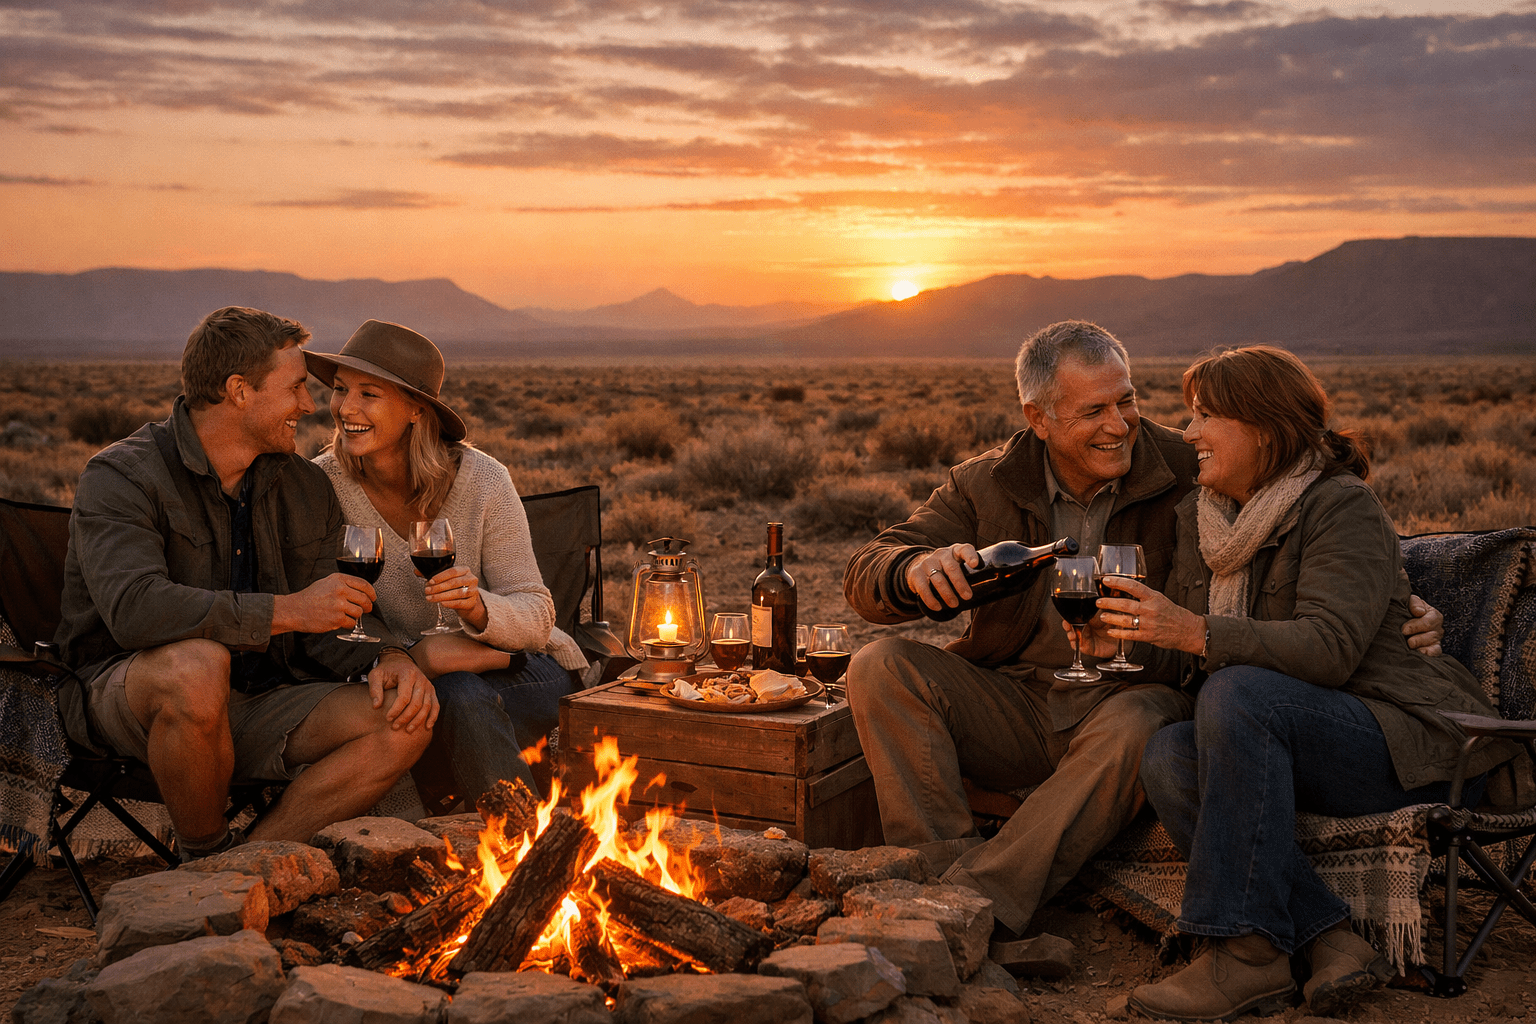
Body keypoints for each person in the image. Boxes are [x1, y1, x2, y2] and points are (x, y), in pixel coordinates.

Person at [842, 321, 1447, 940]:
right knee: (880, 665)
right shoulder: (985, 480)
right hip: (1019, 698)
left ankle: (975, 911)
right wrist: (911, 568)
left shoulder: (1194, 462)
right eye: (1093, 411)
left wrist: (1402, 596)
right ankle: (935, 889)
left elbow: (1309, 507)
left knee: (1139, 722)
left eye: (1126, 400)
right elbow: (868, 568)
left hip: (1138, 692)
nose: (1119, 423)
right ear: (1039, 417)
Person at [1076, 346, 1517, 1021]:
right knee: (1168, 752)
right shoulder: (1207, 524)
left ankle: (1242, 955)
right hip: (1294, 739)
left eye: (1204, 417)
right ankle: (1329, 937)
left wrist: (1194, 632)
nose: (1189, 434)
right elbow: (1197, 657)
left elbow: (1329, 650)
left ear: (1263, 425)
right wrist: (1132, 640)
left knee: (1237, 696)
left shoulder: (1341, 508)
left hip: (1410, 743)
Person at [55, 306, 439, 858]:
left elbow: (330, 616)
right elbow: (134, 609)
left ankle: (238, 869)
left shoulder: (301, 485)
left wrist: (390, 657)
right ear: (239, 390)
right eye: (296, 388)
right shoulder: (122, 476)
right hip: (131, 697)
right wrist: (284, 612)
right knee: (198, 667)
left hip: (260, 697)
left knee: (405, 720)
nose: (310, 406)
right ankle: (202, 849)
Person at [308, 319, 587, 807]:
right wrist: (414, 657)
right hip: (402, 674)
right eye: (339, 389)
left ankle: (521, 853)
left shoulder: (482, 481)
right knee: (426, 698)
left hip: (521, 668)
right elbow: (332, 612)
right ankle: (434, 845)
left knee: (456, 693)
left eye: (368, 394)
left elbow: (539, 615)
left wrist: (478, 609)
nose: (345, 408)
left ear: (416, 409)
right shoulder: (322, 486)